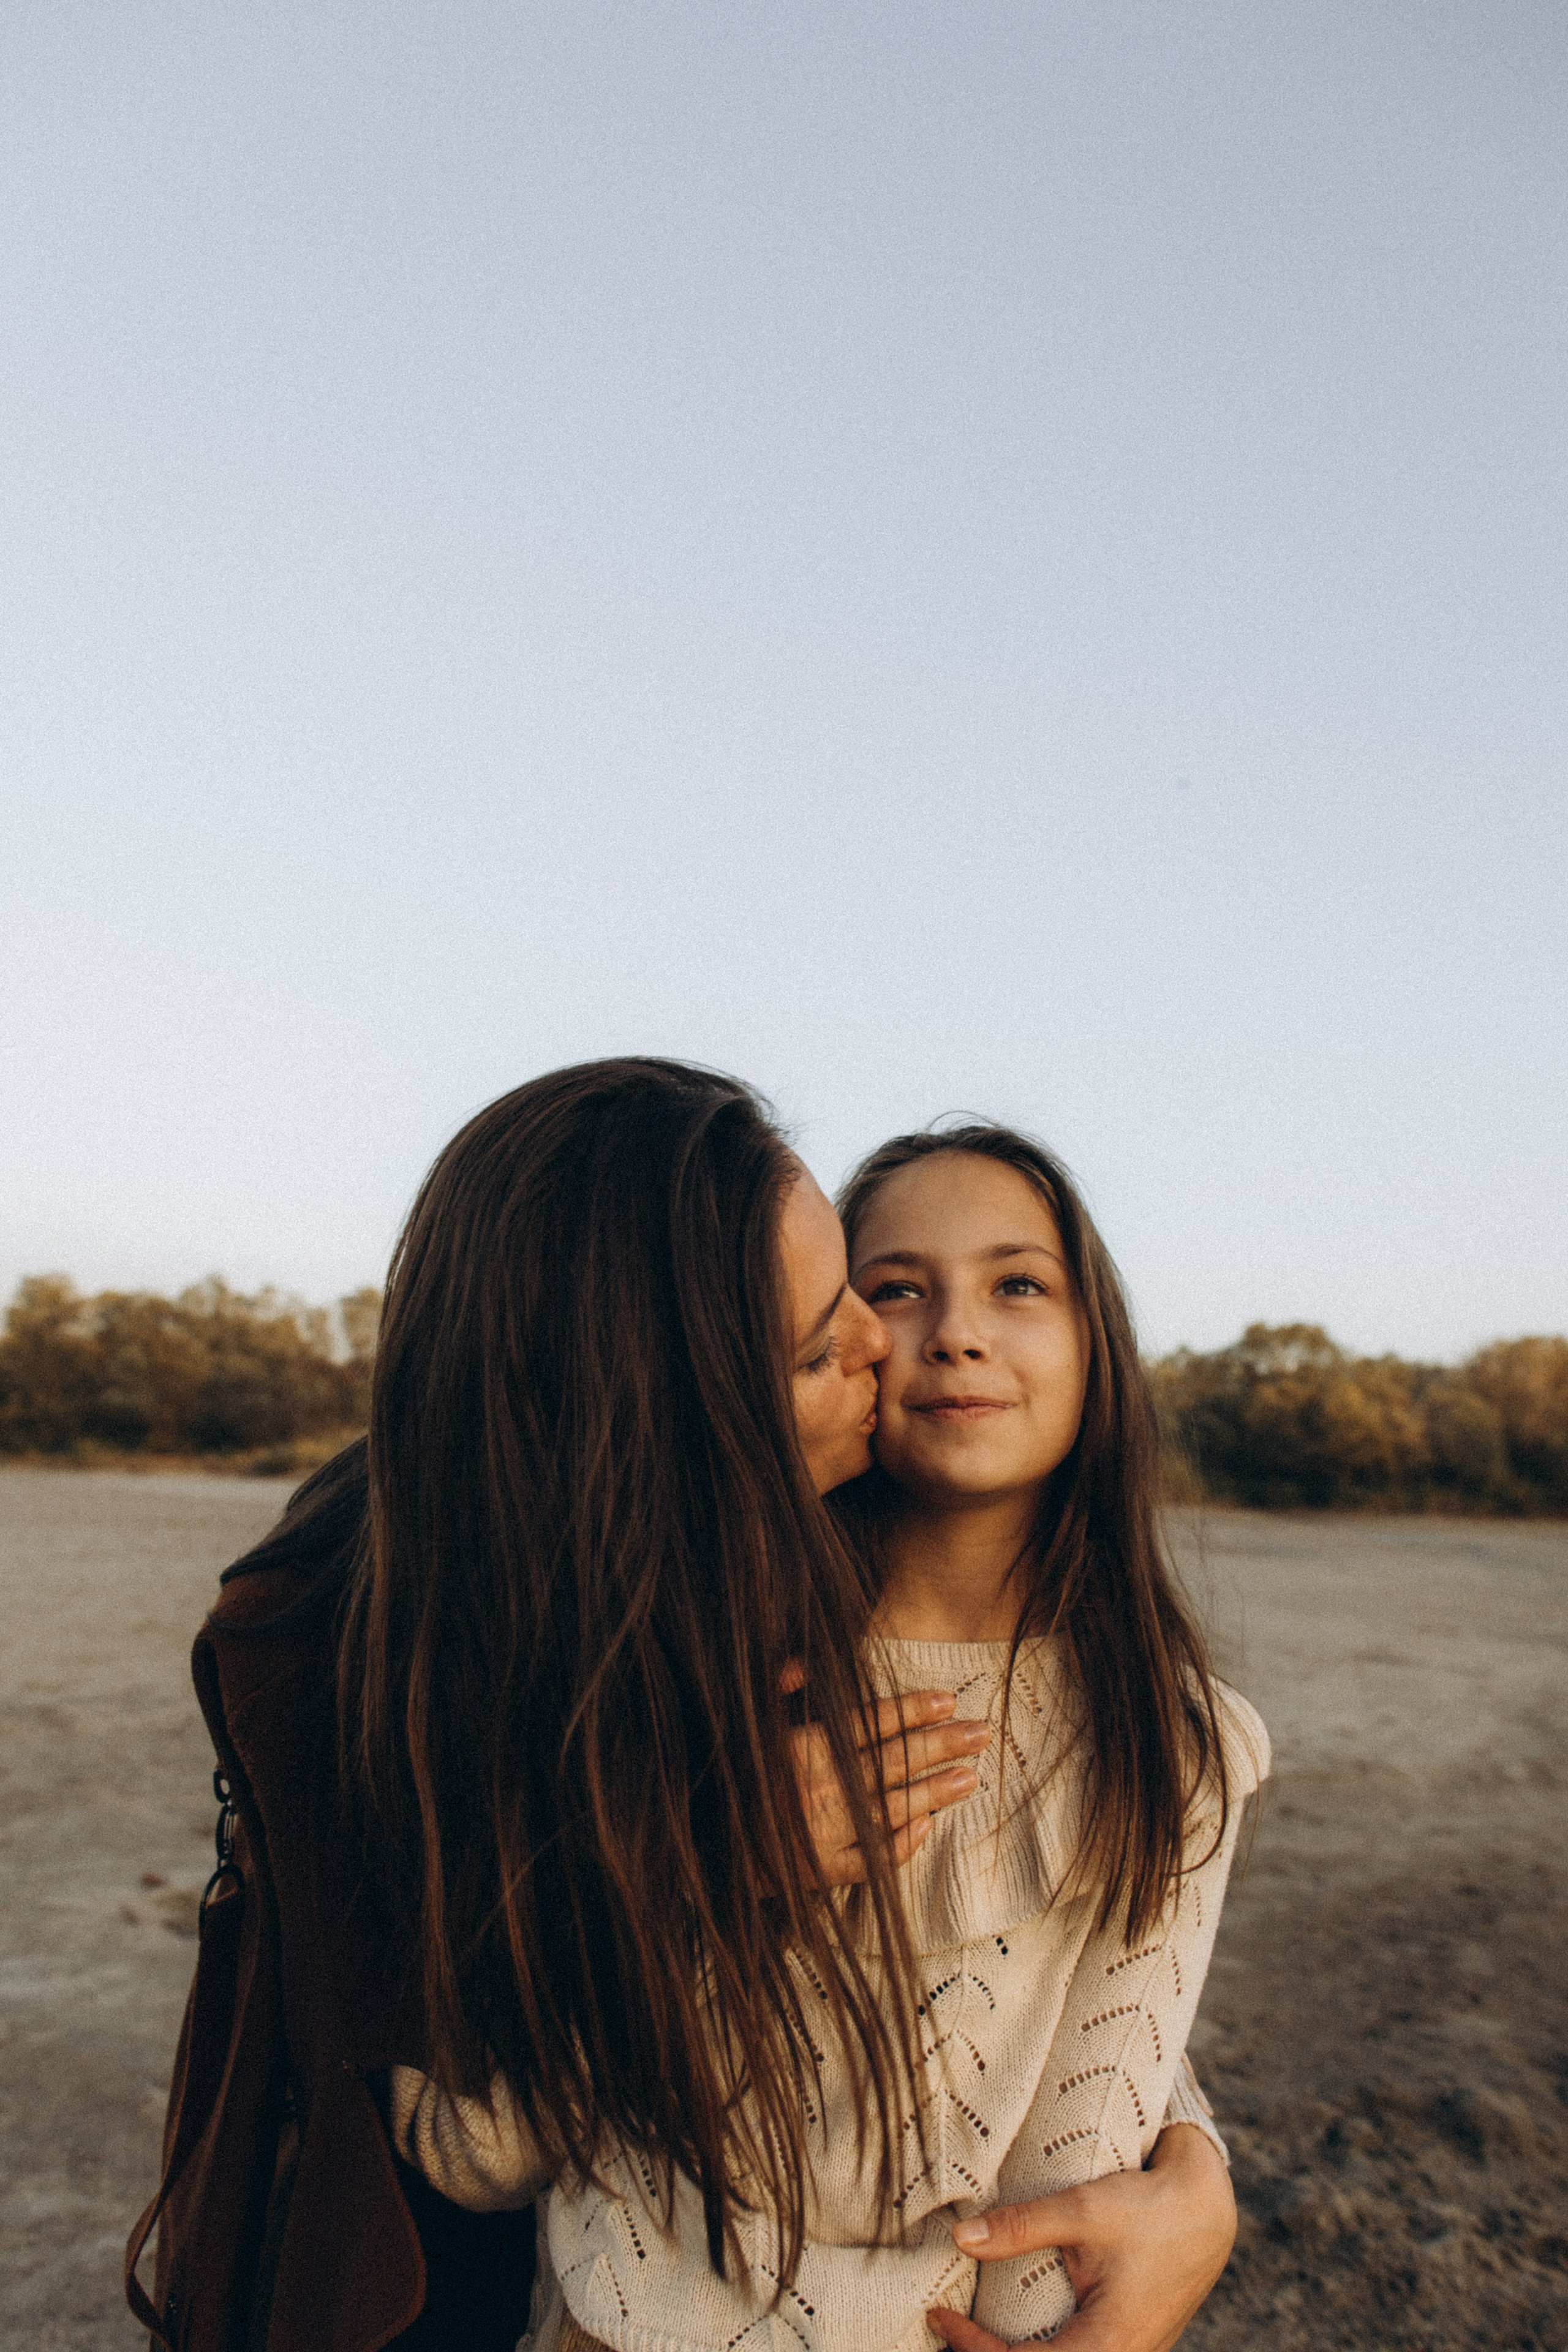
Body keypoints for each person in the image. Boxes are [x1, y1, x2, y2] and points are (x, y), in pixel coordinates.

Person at [130, 1065, 1238, 2352]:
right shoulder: (376, 1654)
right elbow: (460, 2138)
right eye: (838, 1331)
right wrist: (692, 1871)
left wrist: (1186, 2167)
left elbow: (1021, 1993)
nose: (906, 1346)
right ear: (687, 1422)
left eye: (1015, 1283)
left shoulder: (1137, 1720)